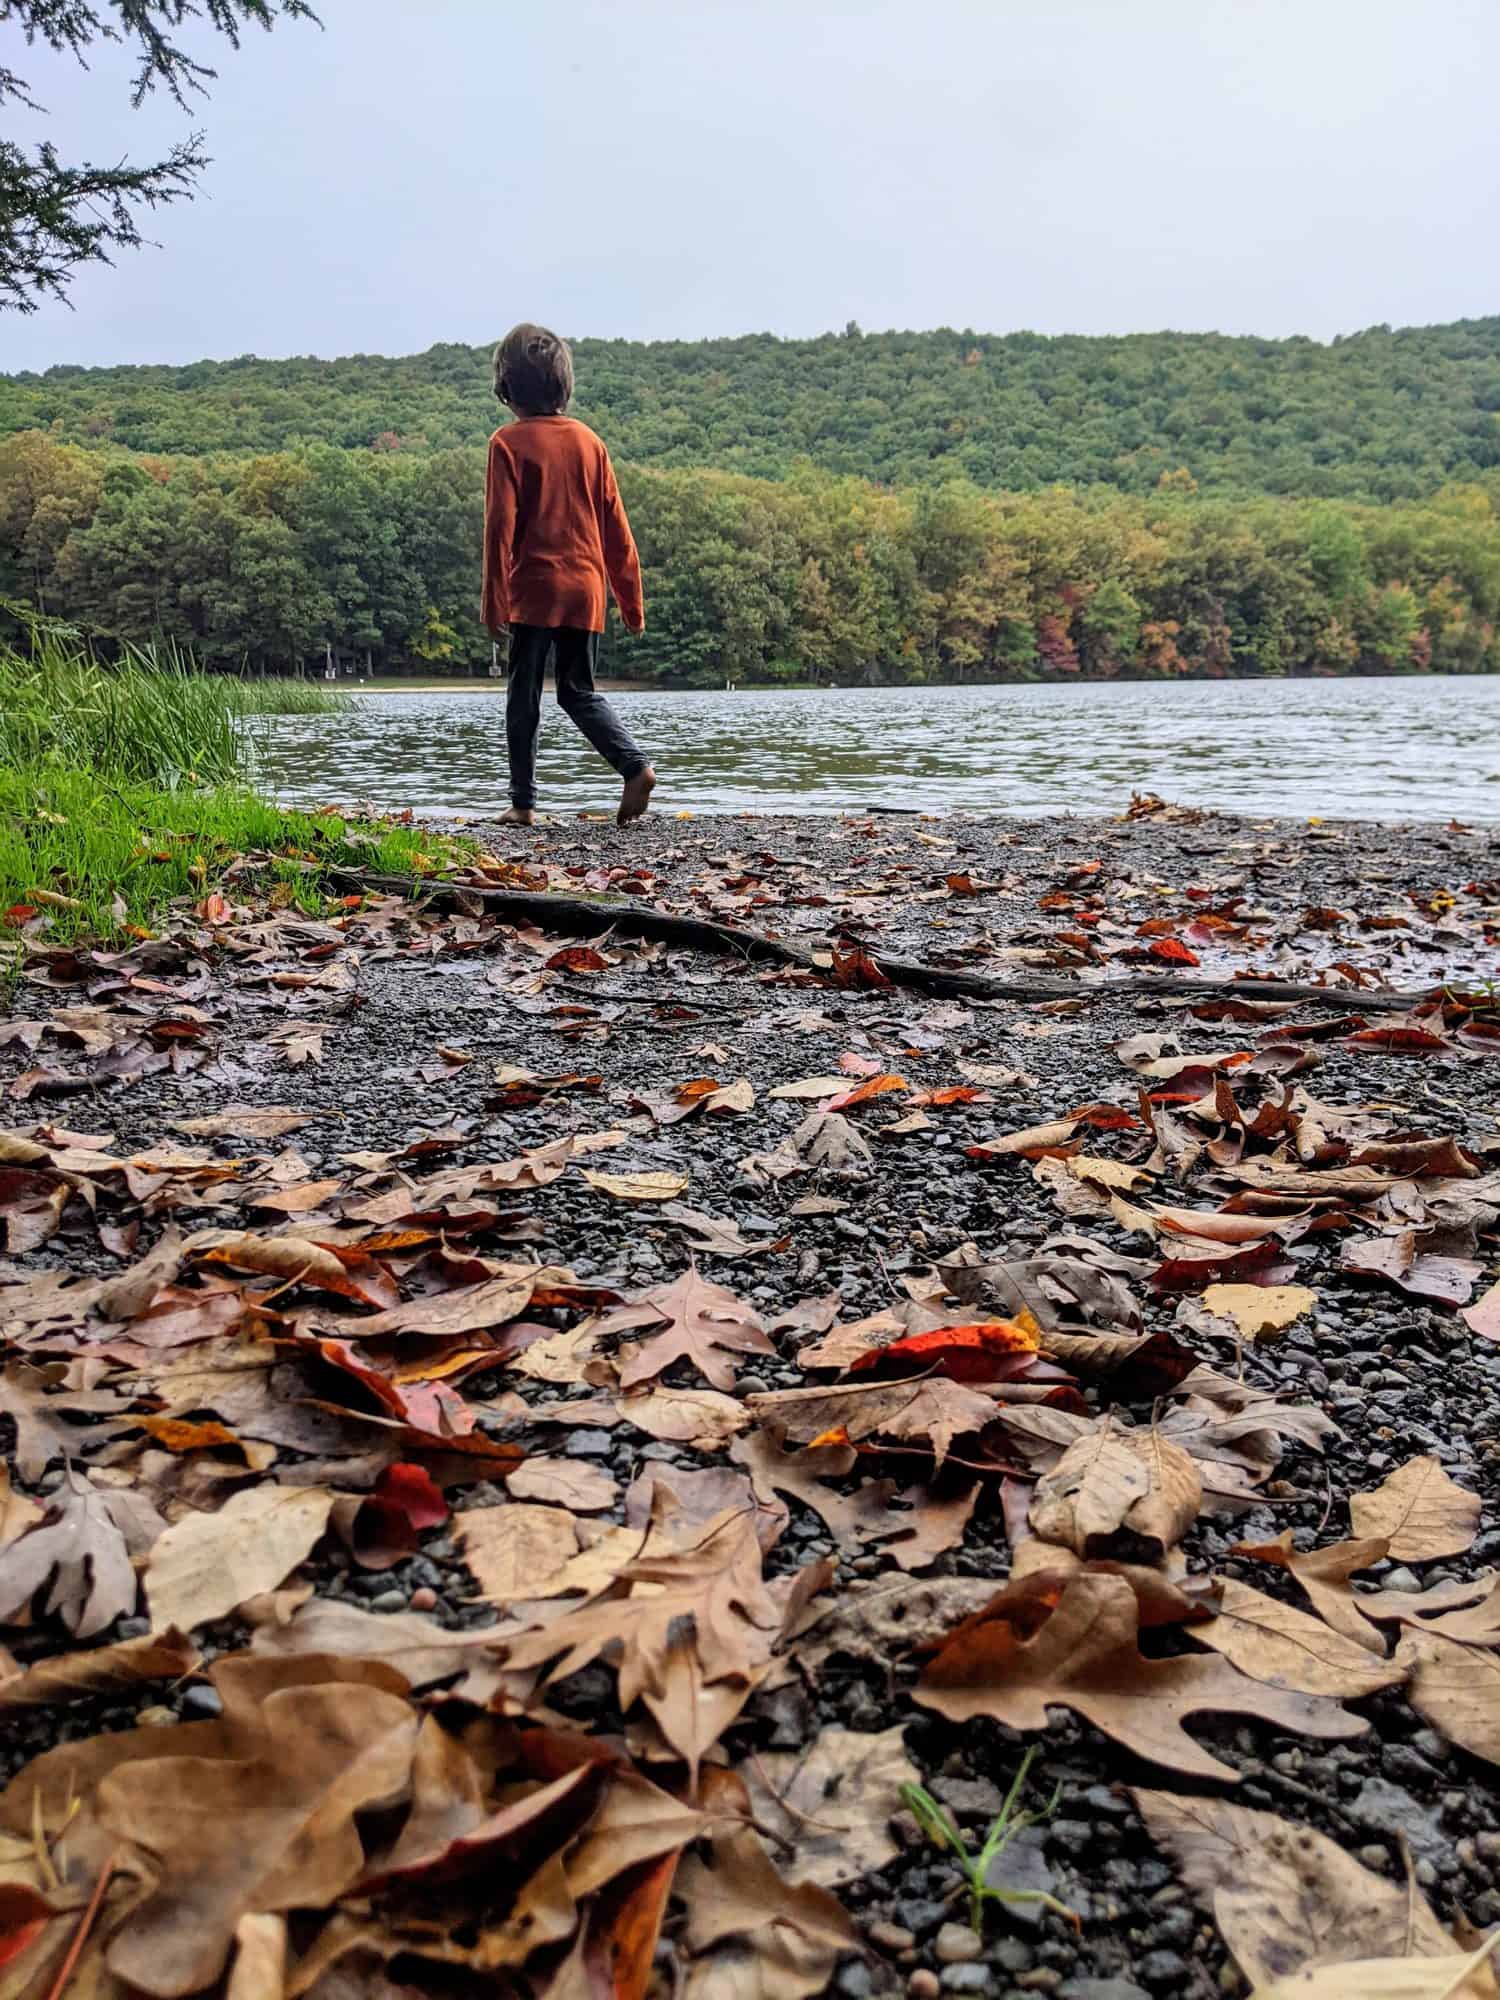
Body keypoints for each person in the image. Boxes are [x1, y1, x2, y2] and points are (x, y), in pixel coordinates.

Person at [482, 323, 656, 826]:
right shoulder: (589, 442)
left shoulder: (507, 444)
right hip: (586, 591)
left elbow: (500, 529)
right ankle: (634, 766)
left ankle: (523, 804)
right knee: (578, 691)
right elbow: (616, 527)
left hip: (534, 591)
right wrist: (631, 601)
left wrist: (493, 600)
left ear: (507, 387)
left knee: (524, 694)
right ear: (564, 384)